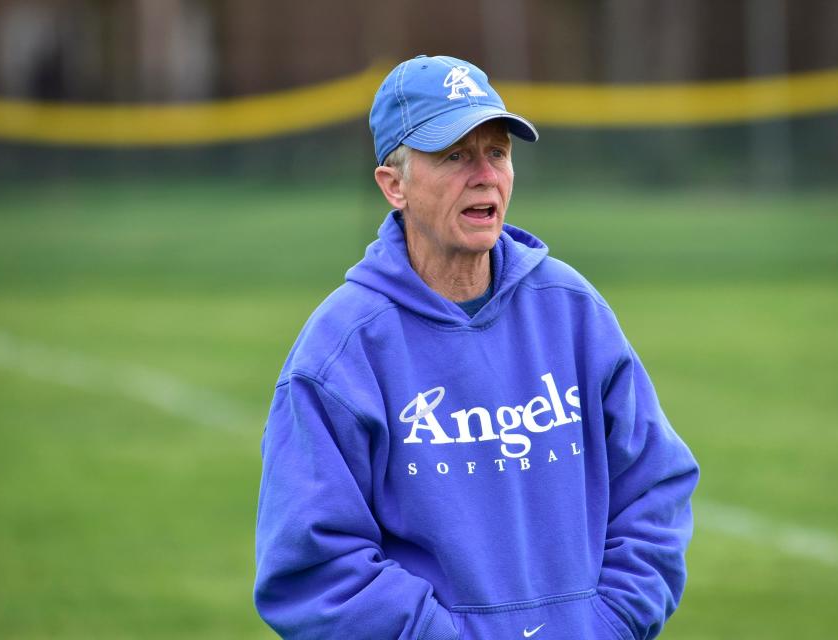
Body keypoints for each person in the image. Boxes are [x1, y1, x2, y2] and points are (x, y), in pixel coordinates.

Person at [254, 54, 699, 640]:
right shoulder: (342, 351)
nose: (485, 174)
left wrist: (608, 624)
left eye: (498, 152)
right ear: (394, 186)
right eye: (454, 156)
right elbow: (314, 568)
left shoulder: (571, 310)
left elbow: (654, 486)